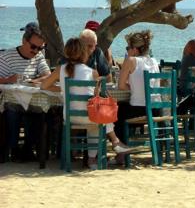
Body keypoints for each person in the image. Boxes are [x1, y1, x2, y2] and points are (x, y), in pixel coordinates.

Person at [40, 38, 131, 169]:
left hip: (71, 117)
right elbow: (95, 96)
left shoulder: (60, 69)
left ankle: (114, 144)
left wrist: (64, 89)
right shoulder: (93, 73)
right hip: (91, 117)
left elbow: (44, 86)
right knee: (97, 119)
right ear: (84, 54)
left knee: (96, 119)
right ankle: (94, 158)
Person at [0, 22, 51, 161]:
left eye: (40, 48)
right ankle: (13, 148)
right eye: (33, 46)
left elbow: (48, 75)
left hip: (33, 100)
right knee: (13, 110)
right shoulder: (7, 56)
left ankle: (29, 148)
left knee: (40, 112)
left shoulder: (38, 56)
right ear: (24, 40)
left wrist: (35, 81)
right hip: (11, 101)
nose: (35, 51)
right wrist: (9, 79)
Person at [113, 30, 160, 164]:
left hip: (140, 110)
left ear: (134, 49)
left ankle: (121, 154)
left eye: (128, 48)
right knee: (123, 110)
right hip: (155, 109)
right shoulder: (154, 61)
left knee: (116, 113)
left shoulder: (131, 60)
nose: (127, 51)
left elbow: (121, 85)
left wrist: (133, 88)